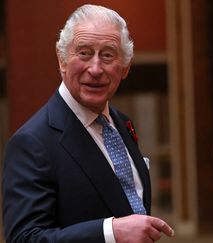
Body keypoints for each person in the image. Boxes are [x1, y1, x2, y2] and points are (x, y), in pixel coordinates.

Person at [2, 4, 174, 243]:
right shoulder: (32, 142)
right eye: (83, 53)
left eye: (107, 55)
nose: (95, 69)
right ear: (62, 60)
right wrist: (110, 232)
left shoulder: (122, 124)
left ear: (125, 67)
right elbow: (25, 239)